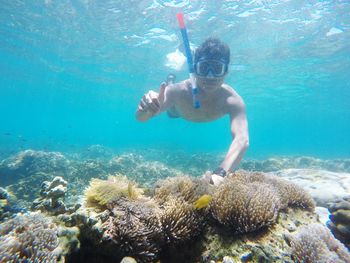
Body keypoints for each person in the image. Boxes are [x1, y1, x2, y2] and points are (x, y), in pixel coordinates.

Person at [135, 38, 249, 186]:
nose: (209, 76)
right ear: (194, 68)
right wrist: (145, 108)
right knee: (171, 109)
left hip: (183, 110)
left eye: (217, 68)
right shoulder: (176, 91)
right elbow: (141, 118)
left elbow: (242, 139)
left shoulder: (232, 100)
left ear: (226, 71)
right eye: (204, 68)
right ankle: (170, 79)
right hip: (175, 112)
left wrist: (221, 172)